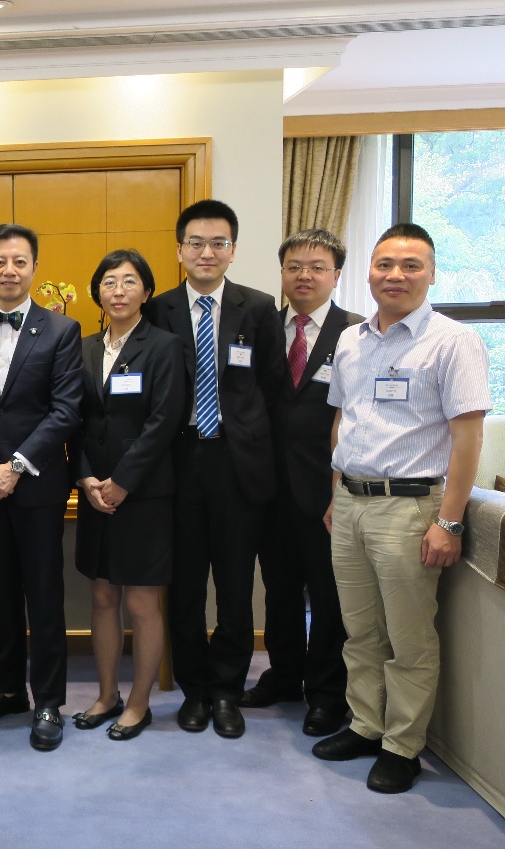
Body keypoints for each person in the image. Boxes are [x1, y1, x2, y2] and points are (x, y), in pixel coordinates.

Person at [313, 223, 490, 794]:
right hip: (351, 502)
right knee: (359, 631)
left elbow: (467, 440)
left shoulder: (452, 341)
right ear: (367, 271)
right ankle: (366, 724)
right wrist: (336, 492)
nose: (395, 275)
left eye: (410, 265)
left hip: (411, 509)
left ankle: (402, 745)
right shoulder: (351, 339)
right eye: (384, 264)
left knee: (409, 637)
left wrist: (449, 519)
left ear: (432, 273)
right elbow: (344, 419)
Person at [146, 199, 285, 739]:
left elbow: (271, 387)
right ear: (180, 250)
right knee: (183, 587)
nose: (207, 252)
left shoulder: (259, 307)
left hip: (237, 464)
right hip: (177, 465)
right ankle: (194, 690)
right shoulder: (158, 310)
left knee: (232, 584)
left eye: (219, 243)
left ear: (233, 250)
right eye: (197, 243)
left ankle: (228, 689)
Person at [0, 223, 82, 751]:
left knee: (45, 596)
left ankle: (48, 698)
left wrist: (16, 466)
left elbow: (66, 409)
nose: (9, 270)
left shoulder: (61, 330)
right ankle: (7, 690)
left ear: (34, 268)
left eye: (20, 261)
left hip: (37, 487)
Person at [241, 229, 362, 737]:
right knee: (280, 587)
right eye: (294, 266)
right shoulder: (263, 328)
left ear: (336, 274)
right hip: (268, 486)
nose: (304, 275)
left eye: (316, 266)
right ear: (283, 273)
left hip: (326, 489)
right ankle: (285, 674)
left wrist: (341, 487)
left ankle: (327, 692)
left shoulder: (357, 333)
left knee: (329, 594)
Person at [70, 249, 185, 742]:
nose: (118, 290)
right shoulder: (84, 348)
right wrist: (87, 478)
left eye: (129, 281)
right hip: (96, 491)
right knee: (101, 595)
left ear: (147, 292)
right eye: (109, 282)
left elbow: (164, 423)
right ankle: (106, 695)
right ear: (98, 291)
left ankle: (139, 703)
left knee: (141, 602)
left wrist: (122, 480)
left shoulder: (165, 346)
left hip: (144, 494)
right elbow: (73, 419)